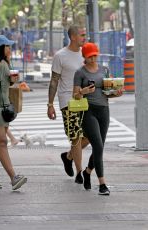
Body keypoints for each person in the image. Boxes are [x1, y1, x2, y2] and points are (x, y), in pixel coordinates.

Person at [73, 42, 123, 195]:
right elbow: (75, 95)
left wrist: (117, 92)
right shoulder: (80, 73)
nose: (93, 58)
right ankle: (102, 184)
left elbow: (109, 91)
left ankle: (87, 172)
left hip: (104, 111)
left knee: (99, 147)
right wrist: (84, 90)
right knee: (98, 146)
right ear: (85, 57)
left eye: (95, 55)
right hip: (88, 112)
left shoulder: (104, 70)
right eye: (90, 56)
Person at [47, 25, 89, 183]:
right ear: (73, 37)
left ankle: (68, 156)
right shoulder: (60, 56)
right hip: (68, 102)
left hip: (85, 100)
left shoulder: (85, 54)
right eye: (82, 35)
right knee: (76, 137)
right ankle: (79, 172)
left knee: (91, 136)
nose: (85, 37)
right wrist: (50, 104)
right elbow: (54, 81)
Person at [0, 35, 27, 190]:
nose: (10, 49)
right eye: (7, 46)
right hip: (0, 110)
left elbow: (6, 84)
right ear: (1, 48)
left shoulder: (4, 64)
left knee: (0, 143)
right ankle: (13, 178)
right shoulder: (2, 64)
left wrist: (12, 79)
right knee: (2, 142)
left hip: (3, 109)